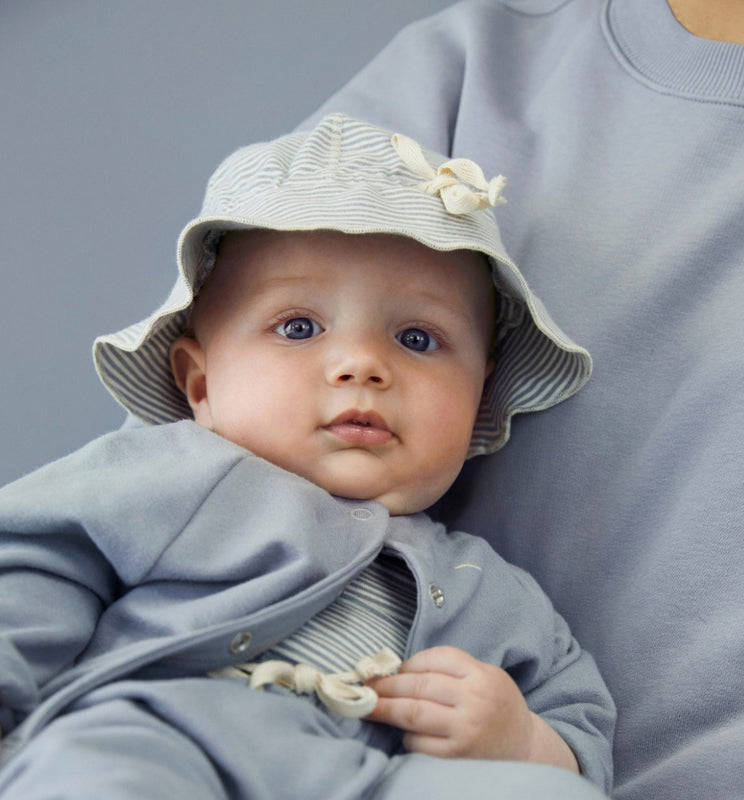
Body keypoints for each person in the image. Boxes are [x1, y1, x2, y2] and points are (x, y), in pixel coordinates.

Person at [0, 114, 615, 799]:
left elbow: (578, 720)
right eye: (298, 327)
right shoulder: (169, 472)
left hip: (376, 780)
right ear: (200, 384)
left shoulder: (490, 590)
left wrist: (522, 741)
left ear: (479, 395)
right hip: (166, 735)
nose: (362, 364)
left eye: (417, 339)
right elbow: (33, 564)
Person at [297, 1, 744, 799]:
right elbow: (195, 470)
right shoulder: (471, 74)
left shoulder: (522, 636)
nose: (360, 370)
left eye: (417, 340)